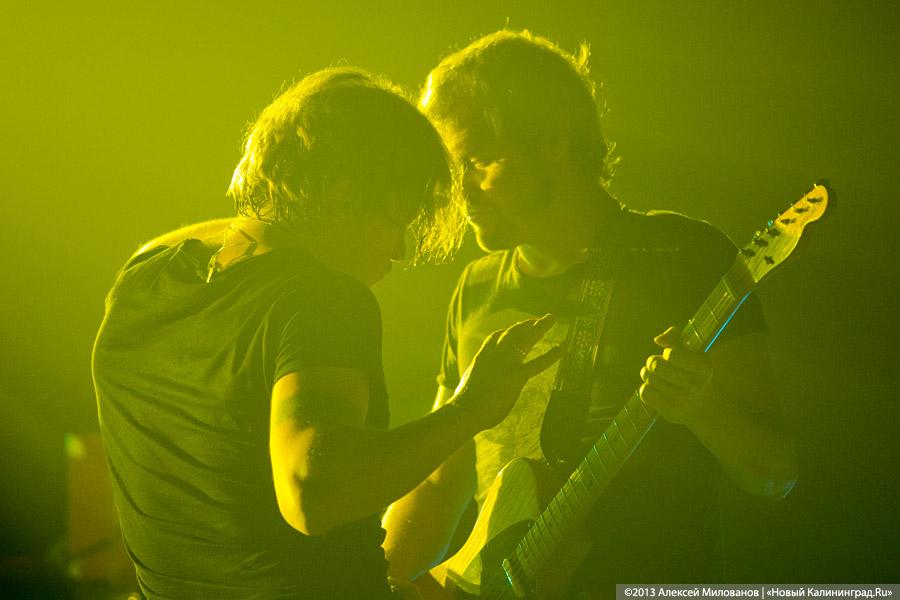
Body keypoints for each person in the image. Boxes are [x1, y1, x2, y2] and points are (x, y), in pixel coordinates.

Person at [92, 67, 563, 599]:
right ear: (343, 196)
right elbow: (313, 492)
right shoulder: (322, 298)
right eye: (397, 217)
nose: (400, 250)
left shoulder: (144, 279)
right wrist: (469, 410)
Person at [382, 30, 799, 598]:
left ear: (551, 142)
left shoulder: (683, 256)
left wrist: (702, 407)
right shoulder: (474, 286)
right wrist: (378, 580)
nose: (462, 191)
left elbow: (774, 471)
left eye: (477, 161)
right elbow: (439, 483)